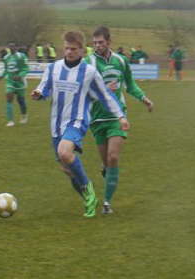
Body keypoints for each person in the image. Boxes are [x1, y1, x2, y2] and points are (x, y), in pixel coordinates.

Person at [31, 31, 129, 218]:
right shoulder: (53, 68)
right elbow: (44, 88)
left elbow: (105, 96)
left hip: (77, 121)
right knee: (67, 169)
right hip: (56, 124)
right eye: (66, 48)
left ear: (82, 50)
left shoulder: (89, 72)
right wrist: (38, 93)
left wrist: (120, 116)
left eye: (73, 49)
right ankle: (88, 198)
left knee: (64, 152)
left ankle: (88, 188)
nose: (69, 52)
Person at [86, 26, 153, 214]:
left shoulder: (121, 61)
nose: (97, 46)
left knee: (113, 157)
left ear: (108, 42)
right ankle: (106, 169)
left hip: (117, 116)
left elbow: (130, 85)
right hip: (97, 118)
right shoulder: (88, 62)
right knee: (107, 163)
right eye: (95, 43)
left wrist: (144, 98)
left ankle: (107, 203)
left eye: (101, 42)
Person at [0, 43, 29, 127]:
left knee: (20, 100)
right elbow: (6, 69)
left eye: (13, 46)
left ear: (16, 48)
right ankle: (10, 121)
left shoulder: (21, 56)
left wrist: (20, 75)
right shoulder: (6, 58)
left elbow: (25, 68)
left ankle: (24, 116)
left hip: (20, 82)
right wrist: (2, 75)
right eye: (9, 47)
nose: (11, 48)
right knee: (9, 98)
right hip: (10, 81)